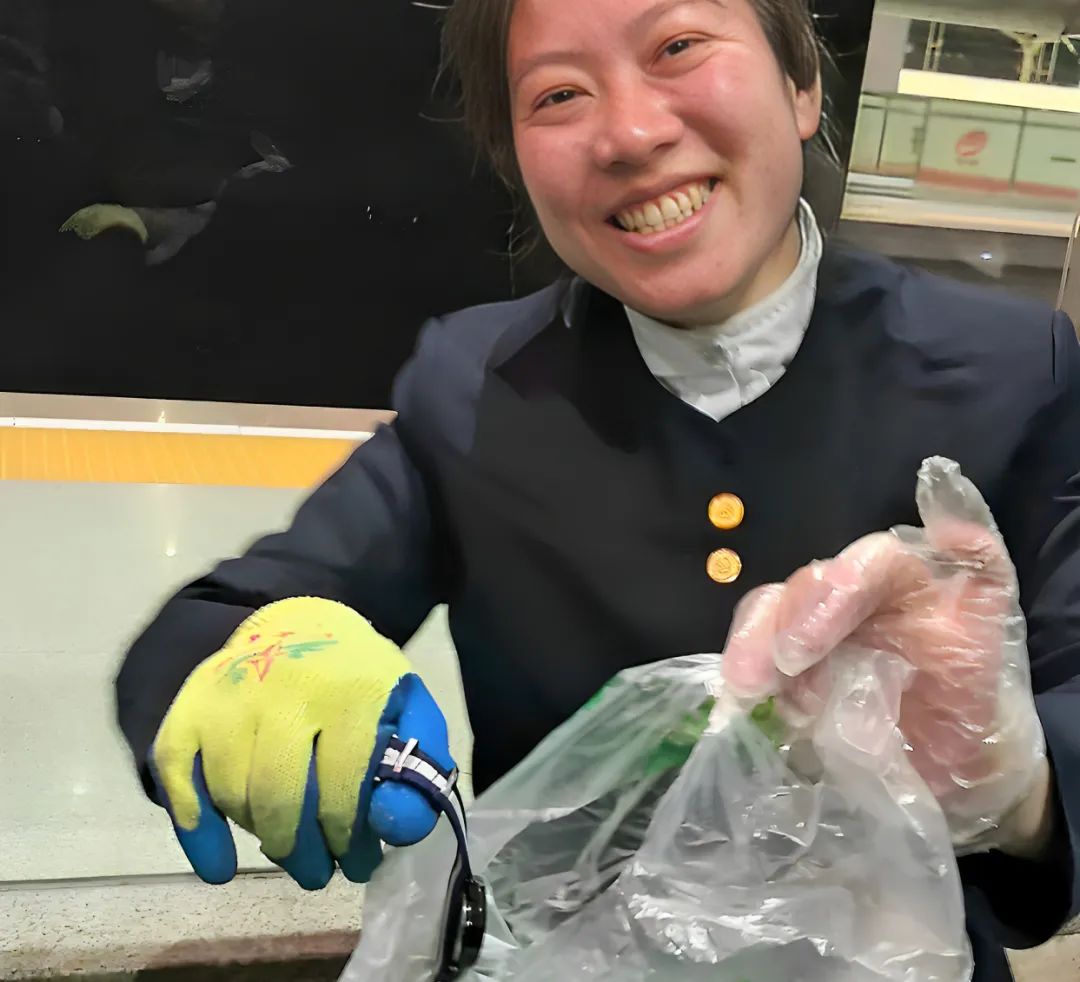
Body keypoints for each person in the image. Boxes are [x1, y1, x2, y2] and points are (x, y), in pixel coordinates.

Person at [114, 1, 1080, 979]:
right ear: (515, 159)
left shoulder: (1011, 370)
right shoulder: (474, 387)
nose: (629, 133)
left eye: (678, 47)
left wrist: (1016, 781)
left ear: (801, 86)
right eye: (559, 95)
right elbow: (221, 619)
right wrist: (268, 669)